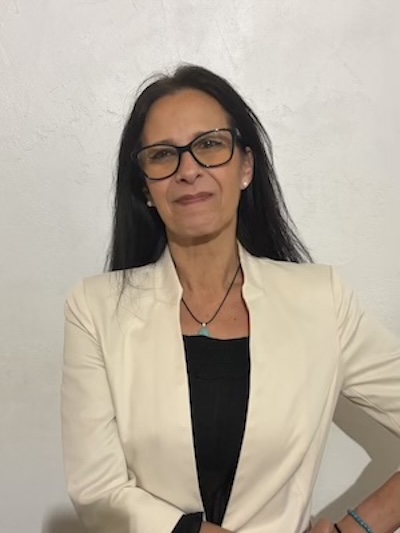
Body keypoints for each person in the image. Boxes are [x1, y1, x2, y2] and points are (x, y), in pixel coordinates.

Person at [61, 65, 400, 533]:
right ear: (145, 187)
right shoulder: (95, 309)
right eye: (163, 155)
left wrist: (360, 526)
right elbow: (98, 491)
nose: (188, 171)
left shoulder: (322, 300)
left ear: (246, 166)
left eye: (209, 145)